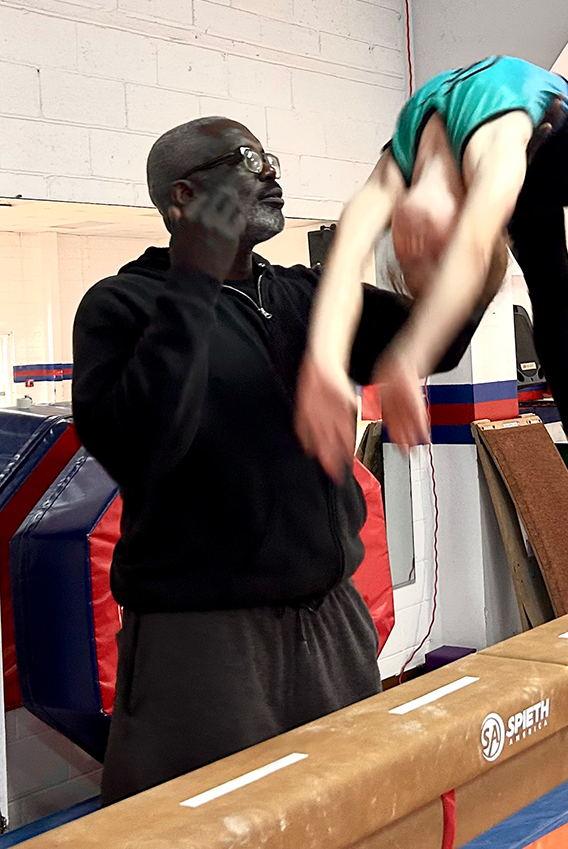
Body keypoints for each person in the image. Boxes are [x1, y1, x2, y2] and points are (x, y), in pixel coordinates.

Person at [71, 116, 482, 805]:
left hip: (331, 623)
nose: (270, 174)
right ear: (183, 197)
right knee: (212, 827)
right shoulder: (123, 305)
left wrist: (470, 238)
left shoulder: (306, 295)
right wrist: (195, 278)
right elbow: (144, 445)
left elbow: (439, 337)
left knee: (355, 815)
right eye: (246, 159)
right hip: (206, 640)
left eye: (270, 159)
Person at [296, 57, 568, 493]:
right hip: (525, 163)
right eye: (424, 261)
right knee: (551, 295)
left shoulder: (408, 167)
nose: (414, 247)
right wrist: (325, 362)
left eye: (419, 260)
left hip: (566, 140)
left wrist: (404, 358)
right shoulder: (483, 179)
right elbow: (344, 265)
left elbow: (455, 249)